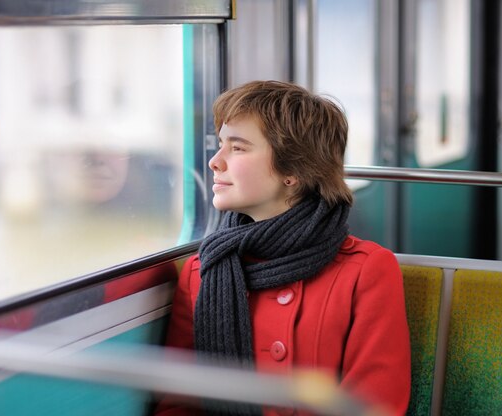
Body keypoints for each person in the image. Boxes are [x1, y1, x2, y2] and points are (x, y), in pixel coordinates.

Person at [154, 80, 411, 415]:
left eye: (239, 148)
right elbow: (179, 403)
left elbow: (375, 406)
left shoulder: (366, 271)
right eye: (220, 145)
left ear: (293, 170)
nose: (215, 162)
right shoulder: (201, 271)